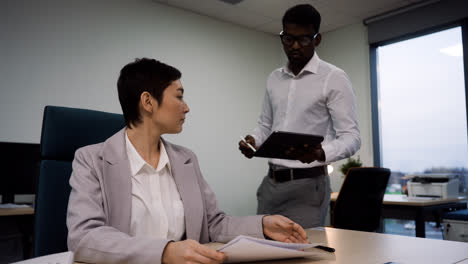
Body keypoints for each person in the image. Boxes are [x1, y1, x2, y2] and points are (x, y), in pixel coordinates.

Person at [67, 58, 308, 264]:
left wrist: (262, 225)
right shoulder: (91, 160)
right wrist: (165, 252)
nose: (187, 107)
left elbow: (213, 224)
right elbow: (84, 237)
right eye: (179, 97)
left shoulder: (186, 159)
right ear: (148, 102)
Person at [238, 4, 361, 228]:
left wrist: (320, 153)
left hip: (309, 187)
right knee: (263, 253)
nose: (294, 46)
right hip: (271, 185)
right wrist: (254, 140)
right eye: (288, 39)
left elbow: (352, 137)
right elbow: (265, 125)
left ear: (317, 39)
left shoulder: (334, 77)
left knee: (302, 258)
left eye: (303, 39)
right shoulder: (274, 78)